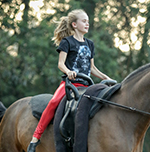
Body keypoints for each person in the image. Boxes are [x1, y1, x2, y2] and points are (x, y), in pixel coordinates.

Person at [27, 9, 112, 152]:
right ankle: (35, 138)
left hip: (87, 84)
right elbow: (61, 64)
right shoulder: (67, 42)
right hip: (70, 84)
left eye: (88, 22)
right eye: (84, 21)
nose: (87, 24)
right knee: (53, 103)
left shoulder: (90, 44)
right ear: (74, 24)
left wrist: (106, 78)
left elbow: (92, 68)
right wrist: (68, 72)